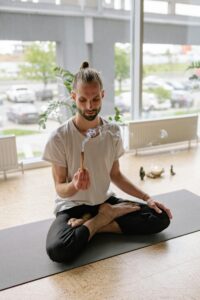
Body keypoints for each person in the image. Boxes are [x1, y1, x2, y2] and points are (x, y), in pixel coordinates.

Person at [43, 61, 172, 263]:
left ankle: (94, 225)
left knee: (161, 216)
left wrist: (147, 198)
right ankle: (102, 219)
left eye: (95, 99)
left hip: (104, 202)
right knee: (58, 249)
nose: (89, 106)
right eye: (83, 99)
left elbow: (115, 175)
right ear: (73, 97)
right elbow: (60, 188)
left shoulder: (112, 132)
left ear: (102, 95)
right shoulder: (59, 137)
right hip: (72, 207)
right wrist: (75, 185)